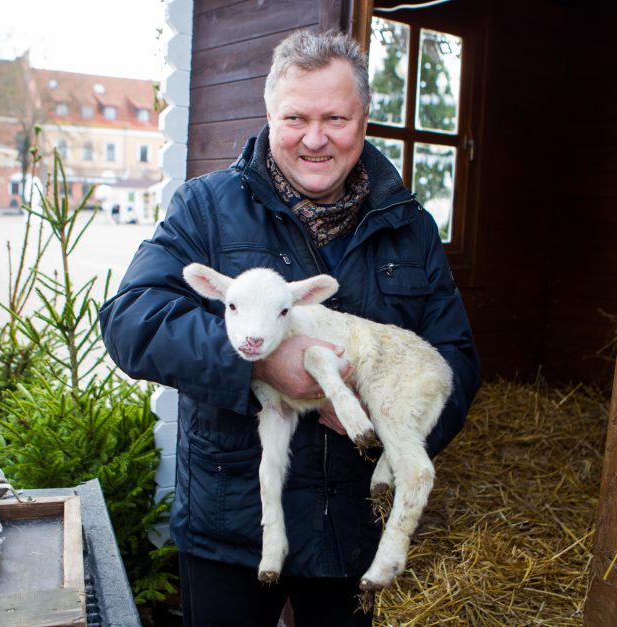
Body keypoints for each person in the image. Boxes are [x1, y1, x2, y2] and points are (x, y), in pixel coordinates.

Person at [100, 30, 480, 626]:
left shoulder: (409, 226)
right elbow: (132, 319)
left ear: (363, 119)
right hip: (234, 524)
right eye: (295, 117)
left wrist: (393, 430)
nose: (314, 138)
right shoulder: (206, 207)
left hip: (351, 528)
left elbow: (454, 358)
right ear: (269, 115)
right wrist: (257, 361)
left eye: (335, 117)